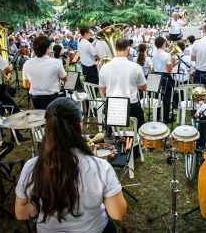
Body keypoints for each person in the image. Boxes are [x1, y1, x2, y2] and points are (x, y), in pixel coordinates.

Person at [15, 97, 127, 232]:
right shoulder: (100, 167)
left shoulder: (31, 167)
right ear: (79, 126)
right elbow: (118, 214)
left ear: (48, 128)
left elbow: (22, 214)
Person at [99, 38, 147, 128]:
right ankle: (137, 139)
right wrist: (135, 83)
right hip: (131, 106)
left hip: (112, 106)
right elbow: (144, 87)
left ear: (115, 48)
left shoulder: (104, 67)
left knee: (108, 129)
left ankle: (110, 136)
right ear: (128, 48)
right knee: (141, 126)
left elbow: (102, 91)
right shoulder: (136, 67)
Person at [23, 36, 68, 110]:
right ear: (47, 49)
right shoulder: (56, 62)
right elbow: (65, 79)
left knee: (38, 120)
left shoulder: (27, 63)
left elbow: (26, 85)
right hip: (52, 97)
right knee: (52, 119)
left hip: (35, 98)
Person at [152, 36, 175, 123]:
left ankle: (157, 115)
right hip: (165, 76)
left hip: (156, 75)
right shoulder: (167, 55)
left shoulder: (154, 55)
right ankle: (165, 118)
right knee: (166, 98)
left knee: (157, 96)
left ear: (155, 45)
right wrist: (172, 62)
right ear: (164, 44)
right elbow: (169, 69)